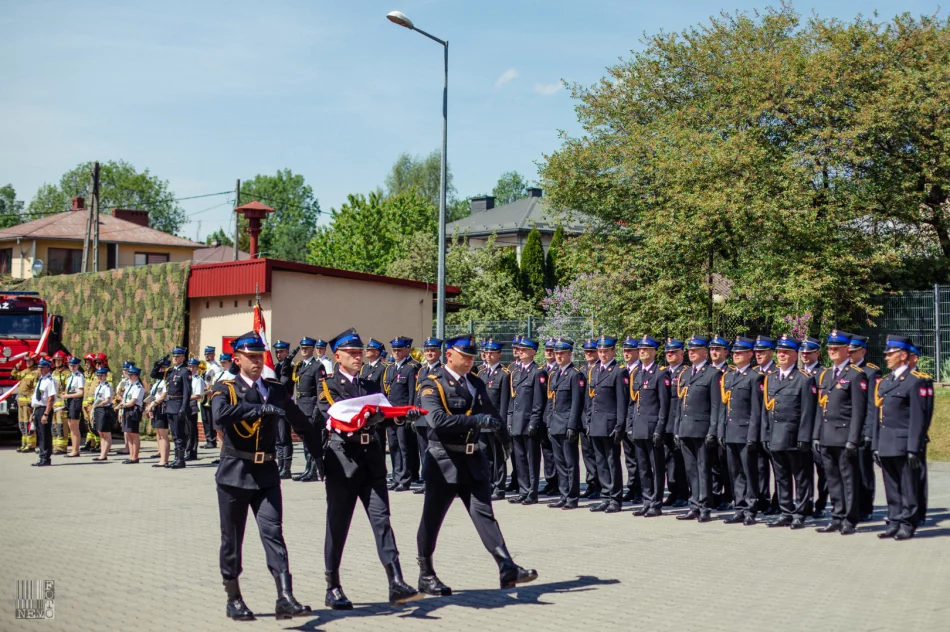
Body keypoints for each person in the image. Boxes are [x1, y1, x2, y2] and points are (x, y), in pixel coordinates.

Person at [210, 331, 321, 621]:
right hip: (235, 474)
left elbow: (302, 423)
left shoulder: (275, 389)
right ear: (237, 359)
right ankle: (233, 599)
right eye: (251, 357)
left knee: (274, 534)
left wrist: (321, 456)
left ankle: (285, 597)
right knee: (232, 539)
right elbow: (219, 416)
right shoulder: (226, 388)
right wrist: (257, 408)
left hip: (267, 475)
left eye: (260, 356)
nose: (257, 361)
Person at [415, 334, 538, 596]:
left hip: (472, 460)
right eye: (465, 356)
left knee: (484, 514)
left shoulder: (475, 382)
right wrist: (476, 421)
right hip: (444, 462)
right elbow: (437, 420)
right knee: (432, 519)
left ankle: (506, 566)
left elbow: (491, 414)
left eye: (472, 356)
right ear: (449, 355)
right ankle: (426, 573)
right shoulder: (432, 383)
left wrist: (505, 441)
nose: (470, 361)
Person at [318, 328, 420, 609]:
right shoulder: (328, 385)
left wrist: (401, 416)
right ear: (338, 357)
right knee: (338, 525)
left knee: (382, 520)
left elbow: (384, 413)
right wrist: (371, 418)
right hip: (343, 461)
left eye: (359, 352)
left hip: (372, 462)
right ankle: (332, 586)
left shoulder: (371, 384)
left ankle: (396, 582)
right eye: (351, 353)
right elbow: (337, 416)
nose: (357, 357)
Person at [873, 335, 929, 540]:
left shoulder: (915, 381)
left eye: (891, 354)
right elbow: (879, 416)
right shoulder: (886, 381)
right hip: (887, 443)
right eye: (887, 354)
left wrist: (914, 448)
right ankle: (894, 521)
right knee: (891, 487)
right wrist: (876, 444)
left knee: (908, 486)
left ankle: (908, 523)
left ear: (903, 356)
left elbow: (918, 418)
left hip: (904, 444)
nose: (886, 357)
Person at [813, 331, 867, 535]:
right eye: (830, 348)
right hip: (827, 436)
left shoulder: (855, 374)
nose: (833, 351)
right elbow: (821, 407)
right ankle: (836, 516)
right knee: (832, 479)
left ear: (847, 350)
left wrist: (854, 439)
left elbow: (859, 411)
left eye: (837, 348)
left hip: (844, 437)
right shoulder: (826, 374)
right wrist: (816, 435)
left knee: (848, 480)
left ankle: (849, 519)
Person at [762, 335, 816, 529]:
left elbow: (808, 412)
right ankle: (786, 511)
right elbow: (766, 410)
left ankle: (800, 513)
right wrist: (765, 434)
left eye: (786, 352)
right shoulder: (771, 378)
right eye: (779, 352)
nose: (781, 355)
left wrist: (804, 437)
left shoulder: (804, 379)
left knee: (800, 477)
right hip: (775, 436)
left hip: (794, 437)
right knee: (781, 477)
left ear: (795, 355)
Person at [716, 336, 763, 525]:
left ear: (750, 354)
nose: (736, 355)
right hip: (730, 432)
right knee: (735, 473)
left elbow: (756, 411)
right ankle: (739, 507)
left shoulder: (754, 377)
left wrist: (753, 435)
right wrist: (721, 431)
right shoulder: (728, 377)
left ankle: (751, 509)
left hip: (745, 433)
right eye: (734, 352)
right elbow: (723, 407)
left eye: (740, 352)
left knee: (749, 472)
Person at [673, 335, 721, 522]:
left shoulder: (712, 374)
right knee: (691, 470)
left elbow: (716, 406)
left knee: (703, 470)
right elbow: (680, 405)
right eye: (690, 350)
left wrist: (713, 431)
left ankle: (705, 507)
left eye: (695, 350)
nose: (691, 353)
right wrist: (677, 429)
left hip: (702, 430)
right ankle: (693, 505)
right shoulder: (685, 374)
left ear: (705, 352)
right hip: (685, 428)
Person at [626, 335, 671, 517]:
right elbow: (632, 402)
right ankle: (646, 500)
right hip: (639, 427)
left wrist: (660, 429)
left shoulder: (660, 373)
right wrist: (630, 425)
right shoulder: (637, 373)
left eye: (646, 349)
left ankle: (656, 502)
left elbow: (664, 405)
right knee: (643, 467)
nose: (642, 352)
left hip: (652, 429)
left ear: (654, 352)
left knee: (656, 468)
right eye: (641, 349)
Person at [585, 335, 628, 513]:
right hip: (596, 424)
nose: (602, 354)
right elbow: (590, 399)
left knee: (612, 462)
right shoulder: (594, 370)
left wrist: (619, 426)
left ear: (613, 351)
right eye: (600, 351)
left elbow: (622, 402)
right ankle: (605, 496)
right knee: (600, 462)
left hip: (610, 424)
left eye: (606, 351)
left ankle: (615, 498)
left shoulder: (618, 371)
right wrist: (588, 421)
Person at [507, 337, 548, 506]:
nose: (521, 352)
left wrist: (534, 422)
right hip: (517, 422)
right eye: (520, 349)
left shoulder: (538, 372)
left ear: (533, 352)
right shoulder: (516, 372)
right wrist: (510, 419)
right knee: (520, 459)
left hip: (529, 422)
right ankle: (523, 490)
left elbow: (539, 402)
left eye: (524, 350)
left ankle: (532, 491)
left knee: (532, 460)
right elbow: (513, 399)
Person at [848, 334, 881, 521]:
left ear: (863, 352)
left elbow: (872, 405)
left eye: (853, 352)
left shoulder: (871, 372)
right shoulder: (845, 371)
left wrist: (869, 432)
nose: (850, 355)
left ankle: (866, 507)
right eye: (848, 352)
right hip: (846, 430)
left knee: (863, 470)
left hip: (862, 431)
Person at [383, 336, 418, 492]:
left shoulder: (410, 368)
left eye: (399, 350)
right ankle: (397, 477)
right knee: (393, 446)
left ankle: (405, 478)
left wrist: (410, 413)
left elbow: (412, 393)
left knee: (404, 447)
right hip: (391, 413)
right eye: (394, 350)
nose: (396, 353)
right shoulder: (390, 368)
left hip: (403, 413)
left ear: (406, 350)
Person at [477, 339, 511, 500]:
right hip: (482, 422)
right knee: (485, 456)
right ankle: (488, 484)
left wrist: (501, 424)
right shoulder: (481, 373)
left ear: (499, 355)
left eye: (492, 353)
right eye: (487, 352)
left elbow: (504, 402)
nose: (488, 355)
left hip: (496, 422)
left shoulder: (504, 374)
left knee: (498, 457)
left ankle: (499, 487)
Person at [799, 336, 828, 518]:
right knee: (803, 469)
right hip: (802, 429)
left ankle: (822, 503)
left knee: (822, 470)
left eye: (809, 352)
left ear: (817, 353)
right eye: (803, 352)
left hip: (819, 429)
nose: (805, 355)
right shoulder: (797, 374)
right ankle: (806, 502)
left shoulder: (823, 374)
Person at [292, 337, 326, 483]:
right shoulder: (300, 366)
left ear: (313, 349)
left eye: (307, 347)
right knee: (306, 442)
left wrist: (317, 410)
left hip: (311, 408)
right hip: (301, 408)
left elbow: (321, 391)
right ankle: (308, 469)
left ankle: (313, 471)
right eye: (302, 347)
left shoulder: (317, 366)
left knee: (313, 441)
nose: (304, 350)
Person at [150, 347, 191, 469]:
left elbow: (187, 392)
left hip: (178, 404)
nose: (175, 359)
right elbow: (154, 374)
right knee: (174, 435)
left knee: (179, 434)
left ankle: (180, 460)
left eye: (177, 357)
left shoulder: (185, 372)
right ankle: (176, 458)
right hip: (170, 405)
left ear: (183, 358)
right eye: (174, 356)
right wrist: (158, 363)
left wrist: (184, 408)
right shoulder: (170, 371)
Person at [661, 338, 690, 507]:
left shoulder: (684, 372)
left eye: (673, 352)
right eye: (668, 352)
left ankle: (683, 493)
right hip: (665, 423)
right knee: (668, 460)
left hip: (678, 422)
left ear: (681, 354)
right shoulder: (664, 372)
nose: (670, 354)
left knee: (680, 460)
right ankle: (673, 491)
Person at [412, 337, 443, 494]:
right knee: (423, 450)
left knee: (436, 450)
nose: (430, 353)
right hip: (421, 417)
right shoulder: (422, 371)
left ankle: (438, 481)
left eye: (433, 350)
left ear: (439, 353)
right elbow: (417, 393)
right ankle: (426, 481)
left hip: (434, 417)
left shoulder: (442, 371)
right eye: (427, 351)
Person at [752, 336, 778, 515]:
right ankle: (762, 498)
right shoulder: (754, 373)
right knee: (760, 466)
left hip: (774, 427)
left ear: (770, 353)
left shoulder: (776, 372)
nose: (758, 354)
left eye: (762, 351)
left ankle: (778, 501)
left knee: (778, 468)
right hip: (757, 426)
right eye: (756, 352)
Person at [707, 336, 731, 510]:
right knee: (711, 462)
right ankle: (714, 494)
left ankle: (728, 496)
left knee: (725, 463)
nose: (714, 352)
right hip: (708, 422)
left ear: (726, 352)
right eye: (712, 349)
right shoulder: (705, 371)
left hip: (725, 422)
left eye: (718, 349)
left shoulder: (730, 373)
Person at [619, 337, 643, 504]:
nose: (626, 354)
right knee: (629, 458)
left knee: (640, 457)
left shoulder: (641, 371)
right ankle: (633, 487)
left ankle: (641, 490)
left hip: (638, 420)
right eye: (625, 351)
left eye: (630, 351)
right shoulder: (623, 371)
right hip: (625, 419)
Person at [579, 339, 602, 499]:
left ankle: (600, 485)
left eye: (592, 351)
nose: (588, 354)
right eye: (586, 351)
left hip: (597, 418)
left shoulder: (600, 369)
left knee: (598, 453)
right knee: (587, 453)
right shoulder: (582, 370)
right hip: (583, 416)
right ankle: (591, 483)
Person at [360, 338, 389, 447]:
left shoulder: (383, 368)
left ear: (377, 352)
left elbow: (383, 389)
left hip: (376, 408)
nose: (366, 351)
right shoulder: (364, 367)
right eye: (366, 349)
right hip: (365, 407)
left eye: (369, 349)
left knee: (378, 440)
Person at [30, 358, 57, 467]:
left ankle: (46, 458)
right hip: (38, 409)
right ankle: (42, 457)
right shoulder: (41, 379)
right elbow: (37, 397)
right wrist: (33, 412)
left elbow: (51, 398)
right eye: (39, 367)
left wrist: (46, 414)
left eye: (42, 367)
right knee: (40, 435)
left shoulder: (50, 380)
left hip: (44, 409)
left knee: (45, 435)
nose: (40, 369)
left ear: (48, 368)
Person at [117, 366, 146, 464]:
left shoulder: (138, 387)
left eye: (131, 375)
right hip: (126, 409)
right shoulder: (129, 385)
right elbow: (124, 399)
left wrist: (122, 406)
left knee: (133, 434)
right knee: (128, 434)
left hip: (133, 410)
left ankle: (135, 457)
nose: (129, 376)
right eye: (129, 374)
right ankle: (131, 456)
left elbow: (133, 401)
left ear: (137, 376)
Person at [146, 359, 171, 467]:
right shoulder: (158, 381)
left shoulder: (166, 380)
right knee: (159, 434)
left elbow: (163, 396)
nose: (161, 370)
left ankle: (164, 460)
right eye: (160, 368)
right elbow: (153, 396)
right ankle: (161, 456)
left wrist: (152, 405)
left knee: (163, 435)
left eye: (163, 368)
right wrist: (150, 408)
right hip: (156, 407)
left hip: (162, 408)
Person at [12, 355, 38, 454]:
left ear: (34, 361)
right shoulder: (24, 372)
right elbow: (13, 376)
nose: (27, 362)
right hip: (21, 403)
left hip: (28, 403)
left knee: (29, 424)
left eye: (29, 361)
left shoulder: (36, 373)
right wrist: (16, 367)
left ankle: (31, 445)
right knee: (22, 424)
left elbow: (35, 389)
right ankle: (24, 444)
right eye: (26, 361)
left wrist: (32, 401)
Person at [62, 357, 86, 458]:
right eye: (70, 365)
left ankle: (75, 450)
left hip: (75, 401)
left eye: (74, 365)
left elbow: (81, 393)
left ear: (77, 366)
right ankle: (74, 449)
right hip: (69, 400)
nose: (72, 367)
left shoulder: (79, 376)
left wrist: (68, 396)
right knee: (71, 426)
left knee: (74, 426)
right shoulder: (70, 376)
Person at [92, 367, 115, 462]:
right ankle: (102, 453)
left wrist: (98, 404)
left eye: (101, 375)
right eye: (98, 375)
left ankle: (104, 454)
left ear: (105, 376)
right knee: (101, 433)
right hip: (98, 409)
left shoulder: (107, 386)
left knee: (106, 432)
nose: (100, 377)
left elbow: (107, 400)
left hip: (105, 410)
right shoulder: (98, 386)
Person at [202, 345, 223, 449]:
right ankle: (208, 439)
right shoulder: (204, 366)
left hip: (210, 394)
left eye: (209, 354)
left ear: (213, 354)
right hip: (203, 394)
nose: (207, 356)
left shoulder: (216, 367)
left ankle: (212, 440)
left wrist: (210, 389)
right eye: (206, 354)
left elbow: (217, 381)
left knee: (210, 418)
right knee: (205, 418)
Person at [50, 350, 70, 455]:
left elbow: (68, 389)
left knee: (61, 426)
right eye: (56, 360)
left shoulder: (67, 374)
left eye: (59, 360)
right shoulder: (53, 373)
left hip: (62, 404)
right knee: (54, 426)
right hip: (53, 404)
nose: (57, 362)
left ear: (64, 361)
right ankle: (55, 446)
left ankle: (62, 447)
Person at [81, 353, 100, 452]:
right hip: (85, 403)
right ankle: (89, 442)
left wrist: (92, 404)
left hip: (92, 404)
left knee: (94, 424)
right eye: (86, 362)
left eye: (88, 362)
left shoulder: (97, 374)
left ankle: (98, 443)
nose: (86, 364)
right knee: (88, 424)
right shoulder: (85, 374)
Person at [187, 358, 203, 461]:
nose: (191, 368)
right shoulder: (186, 377)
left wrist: (185, 398)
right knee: (185, 429)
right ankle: (186, 450)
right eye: (189, 366)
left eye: (193, 366)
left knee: (191, 430)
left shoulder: (198, 379)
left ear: (197, 368)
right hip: (183, 404)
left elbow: (198, 395)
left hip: (191, 405)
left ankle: (192, 452)